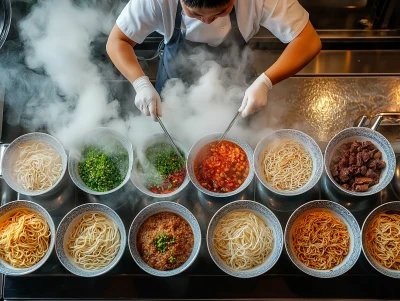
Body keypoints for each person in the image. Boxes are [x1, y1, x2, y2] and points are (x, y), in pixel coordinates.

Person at [106, 0, 321, 121]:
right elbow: (117, 41)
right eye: (195, 14)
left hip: (238, 90)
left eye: (220, 12)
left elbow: (308, 40)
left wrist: (265, 82)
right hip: (173, 87)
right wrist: (141, 83)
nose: (207, 21)